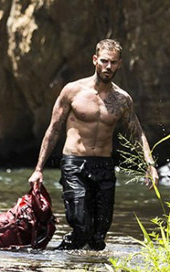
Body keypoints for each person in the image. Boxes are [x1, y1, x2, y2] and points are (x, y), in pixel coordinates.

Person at [28, 39, 159, 250]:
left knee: (98, 237)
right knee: (82, 227)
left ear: (120, 64)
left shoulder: (122, 99)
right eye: (105, 61)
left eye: (113, 63)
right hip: (74, 165)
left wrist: (150, 164)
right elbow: (53, 130)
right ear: (95, 60)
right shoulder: (72, 91)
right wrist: (38, 169)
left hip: (105, 167)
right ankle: (54, 260)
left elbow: (137, 133)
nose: (109, 67)